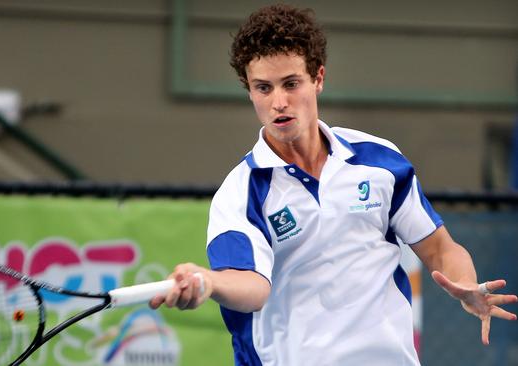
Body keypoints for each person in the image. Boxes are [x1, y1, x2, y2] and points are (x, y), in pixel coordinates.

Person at [149, 4, 517, 365]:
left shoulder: (380, 161)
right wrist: (209, 282)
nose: (279, 102)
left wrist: (466, 284)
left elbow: (440, 250)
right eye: (263, 88)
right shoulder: (240, 193)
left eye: (291, 84)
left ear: (318, 78)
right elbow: (252, 287)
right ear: (249, 91)